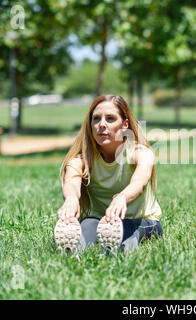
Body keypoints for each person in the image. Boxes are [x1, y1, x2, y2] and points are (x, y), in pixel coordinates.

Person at [54, 95, 163, 257]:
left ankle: (117, 252)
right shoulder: (82, 159)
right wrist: (71, 198)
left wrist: (122, 197)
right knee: (87, 225)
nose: (101, 125)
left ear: (125, 125)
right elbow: (71, 181)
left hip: (141, 220)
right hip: (100, 221)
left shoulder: (140, 153)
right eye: (96, 119)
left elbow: (139, 182)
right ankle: (71, 252)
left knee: (125, 233)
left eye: (110, 119)